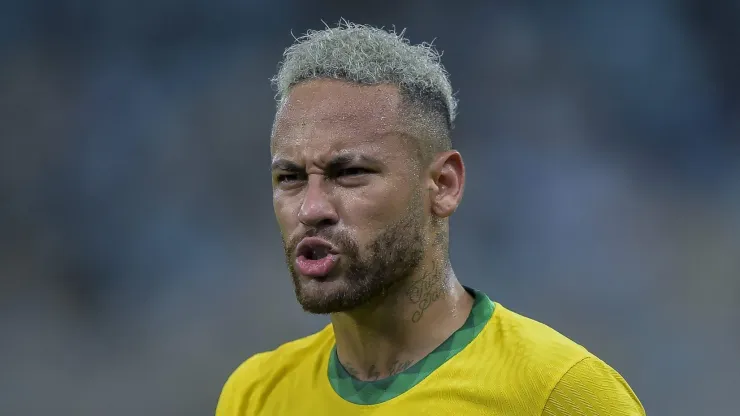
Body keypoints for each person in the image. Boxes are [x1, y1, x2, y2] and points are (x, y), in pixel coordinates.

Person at [216, 21, 646, 415]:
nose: (311, 209)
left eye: (349, 174)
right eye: (289, 177)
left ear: (443, 185)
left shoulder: (560, 393)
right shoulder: (254, 395)